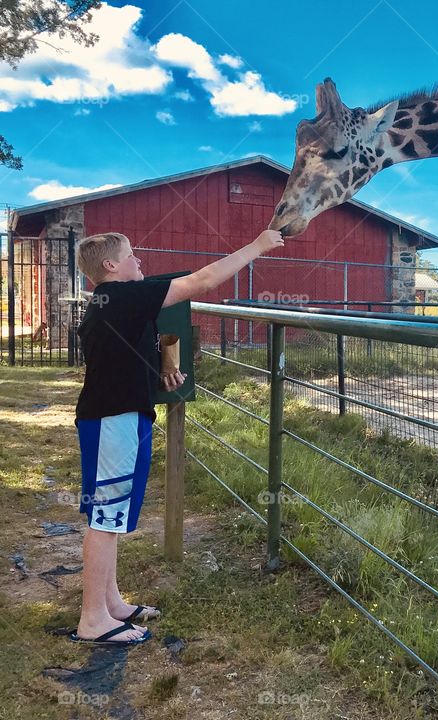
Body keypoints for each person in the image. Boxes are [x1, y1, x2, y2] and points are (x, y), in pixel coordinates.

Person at [71, 229, 284, 646]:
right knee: (105, 518)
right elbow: (201, 281)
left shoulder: (113, 304)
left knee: (111, 515)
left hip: (118, 417)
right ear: (111, 266)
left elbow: (126, 353)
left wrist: (160, 369)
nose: (139, 262)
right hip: (113, 420)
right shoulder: (122, 297)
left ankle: (110, 602)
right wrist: (256, 245)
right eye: (131, 255)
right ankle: (92, 619)